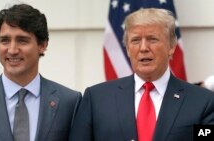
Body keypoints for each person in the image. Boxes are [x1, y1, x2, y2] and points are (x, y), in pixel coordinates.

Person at [69, 8, 214, 141]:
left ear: (171, 46)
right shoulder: (96, 99)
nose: (143, 48)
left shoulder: (203, 102)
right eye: (136, 40)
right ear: (127, 49)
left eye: (152, 39)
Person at [0, 4, 81, 141]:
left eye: (22, 40)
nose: (12, 50)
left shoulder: (70, 102)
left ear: (42, 45)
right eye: (5, 40)